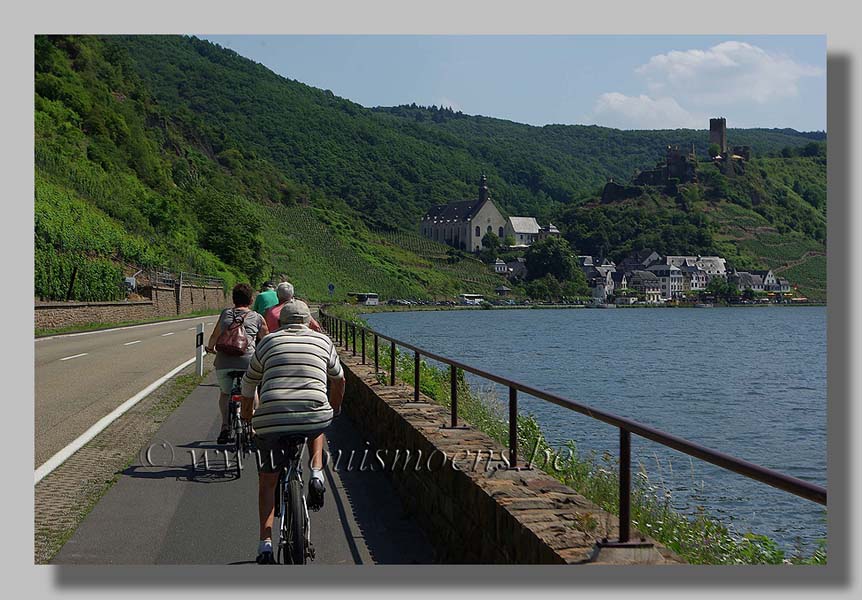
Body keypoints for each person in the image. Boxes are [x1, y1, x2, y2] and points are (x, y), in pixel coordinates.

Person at [240, 300, 345, 565]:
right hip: (314, 415)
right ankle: (317, 472)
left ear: (281, 321)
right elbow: (339, 379)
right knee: (317, 422)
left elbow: (249, 382)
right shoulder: (322, 341)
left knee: (268, 480)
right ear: (310, 321)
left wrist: (246, 416)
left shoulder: (268, 343)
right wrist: (335, 407)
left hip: (272, 420)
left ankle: (265, 543)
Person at [205, 283, 269, 445]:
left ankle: (225, 427)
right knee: (252, 390)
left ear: (233, 299)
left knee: (225, 393)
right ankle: (253, 427)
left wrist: (210, 348)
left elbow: (214, 336)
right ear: (251, 300)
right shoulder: (257, 317)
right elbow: (268, 340)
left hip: (223, 362)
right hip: (248, 362)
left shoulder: (225, 314)